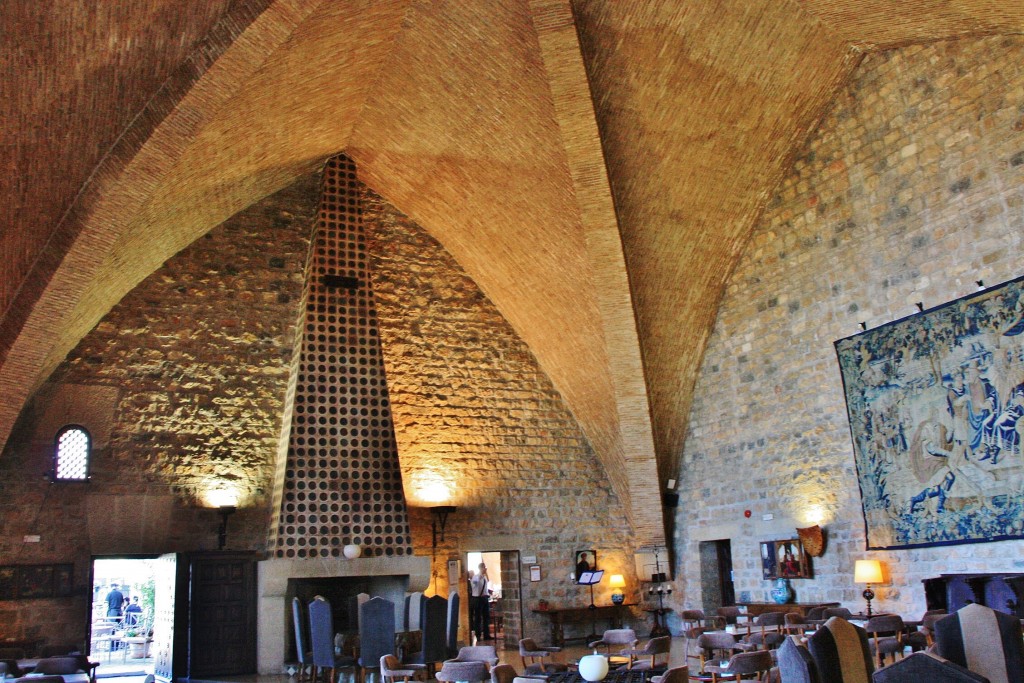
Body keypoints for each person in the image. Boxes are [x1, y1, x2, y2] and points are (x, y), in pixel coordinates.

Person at [468, 563, 491, 641]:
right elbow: (474, 582)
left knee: (486, 617)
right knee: (478, 618)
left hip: (484, 598)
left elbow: (485, 588)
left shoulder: (484, 577)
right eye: (484, 568)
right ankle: (478, 635)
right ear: (481, 568)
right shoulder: (476, 576)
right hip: (477, 599)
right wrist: (480, 576)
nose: (485, 569)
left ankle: (486, 635)